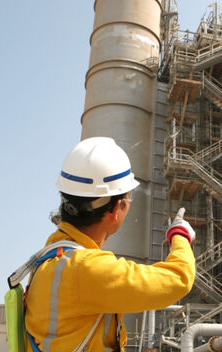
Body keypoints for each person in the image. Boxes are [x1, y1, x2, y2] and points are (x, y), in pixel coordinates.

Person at [24, 137, 196, 351]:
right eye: (129, 198)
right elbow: (178, 280)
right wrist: (180, 234)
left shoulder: (47, 260)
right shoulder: (85, 269)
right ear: (116, 209)